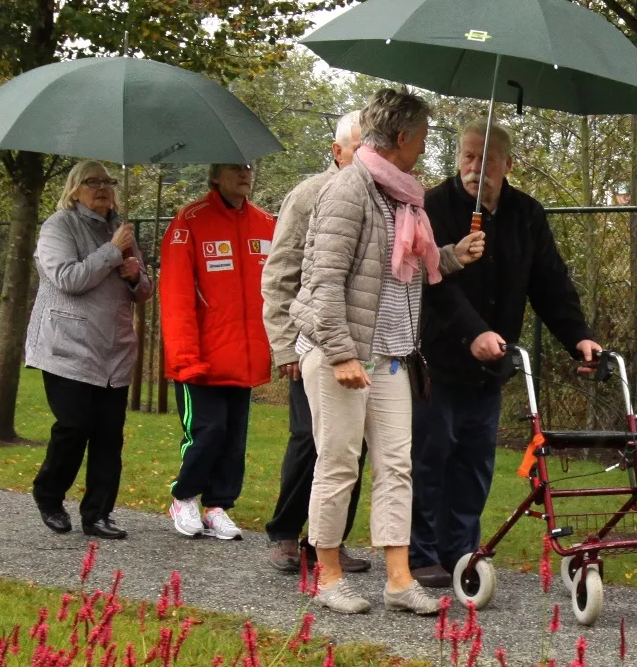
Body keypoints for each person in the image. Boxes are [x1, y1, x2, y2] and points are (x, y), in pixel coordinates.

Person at [293, 88, 484, 615]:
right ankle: (328, 577)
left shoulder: (403, 196)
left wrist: (452, 255)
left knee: (397, 466)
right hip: (341, 352)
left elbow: (404, 267)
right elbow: (324, 281)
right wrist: (341, 354)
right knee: (338, 464)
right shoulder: (349, 190)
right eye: (421, 138)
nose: (425, 148)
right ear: (401, 137)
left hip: (393, 354)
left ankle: (399, 581)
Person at [408, 124, 601, 588]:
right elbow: (433, 282)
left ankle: (461, 554)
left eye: (487, 159)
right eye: (468, 157)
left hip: (492, 366)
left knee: (475, 466)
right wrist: (472, 331)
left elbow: (550, 283)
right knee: (430, 459)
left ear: (507, 164)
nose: (475, 168)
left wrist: (578, 337)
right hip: (438, 362)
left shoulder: (526, 214)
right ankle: (422, 554)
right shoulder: (433, 207)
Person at [261, 110, 370, 576]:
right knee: (309, 439)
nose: (367, 156)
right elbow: (279, 274)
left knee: (353, 447)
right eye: (359, 148)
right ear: (338, 151)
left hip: (362, 344)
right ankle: (285, 532)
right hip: (311, 343)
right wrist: (285, 345)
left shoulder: (381, 197)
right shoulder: (308, 195)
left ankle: (329, 540)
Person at [25, 160, 154, 539]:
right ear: (75, 189)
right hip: (67, 348)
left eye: (107, 181)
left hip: (114, 350)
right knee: (74, 426)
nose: (102, 188)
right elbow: (68, 279)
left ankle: (98, 514)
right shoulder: (58, 227)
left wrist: (136, 276)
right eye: (92, 182)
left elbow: (144, 292)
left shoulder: (120, 229)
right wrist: (113, 252)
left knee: (109, 435)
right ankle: (49, 496)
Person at [159, 162, 274, 539]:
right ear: (215, 176)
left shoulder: (265, 223)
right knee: (206, 431)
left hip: (245, 357)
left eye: (248, 167)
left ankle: (217, 506)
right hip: (201, 359)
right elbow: (175, 295)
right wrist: (185, 358)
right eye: (234, 168)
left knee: (233, 439)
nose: (245, 174)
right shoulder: (190, 221)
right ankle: (184, 497)